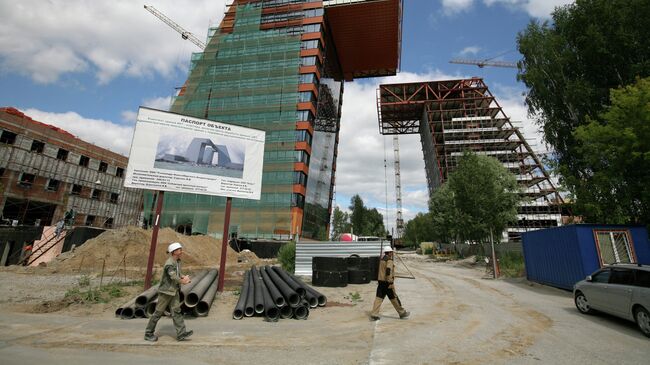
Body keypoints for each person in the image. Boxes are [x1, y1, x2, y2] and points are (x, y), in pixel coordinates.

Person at [144, 242, 193, 342]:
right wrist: (182, 281)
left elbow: (177, 273)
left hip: (174, 291)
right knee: (158, 313)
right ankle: (148, 333)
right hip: (166, 292)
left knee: (176, 312)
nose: (181, 251)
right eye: (179, 249)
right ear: (174, 252)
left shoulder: (177, 261)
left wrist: (183, 276)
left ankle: (181, 333)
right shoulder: (169, 264)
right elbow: (173, 276)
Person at [370, 246, 410, 321]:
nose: (392, 253)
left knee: (378, 298)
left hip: (381, 282)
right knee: (393, 298)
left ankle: (374, 314)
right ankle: (402, 313)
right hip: (387, 283)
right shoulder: (389, 260)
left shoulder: (382, 260)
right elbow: (388, 271)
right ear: (389, 253)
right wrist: (390, 282)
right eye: (391, 252)